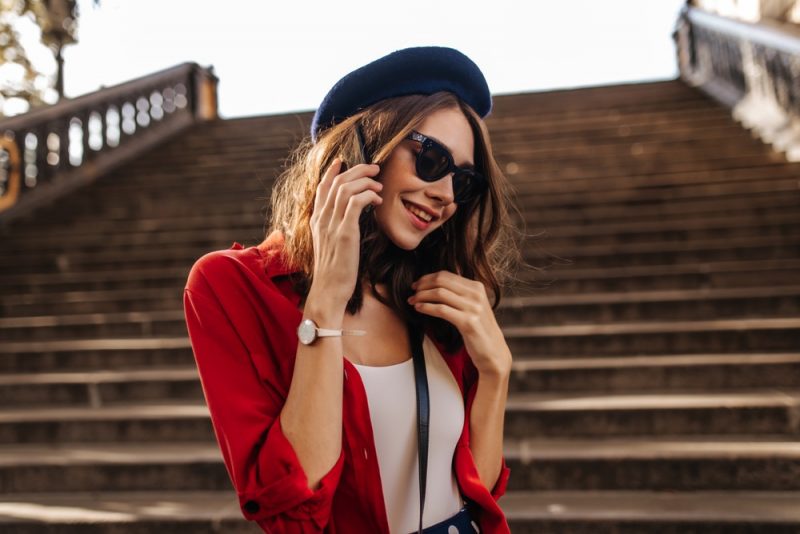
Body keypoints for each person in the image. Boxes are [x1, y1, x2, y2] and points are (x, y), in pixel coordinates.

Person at [183, 46, 523, 534]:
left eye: (463, 181)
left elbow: (476, 497)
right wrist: (326, 300)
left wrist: (495, 374)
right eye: (430, 158)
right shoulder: (230, 287)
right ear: (363, 150)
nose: (446, 195)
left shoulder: (438, 295)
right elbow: (294, 515)